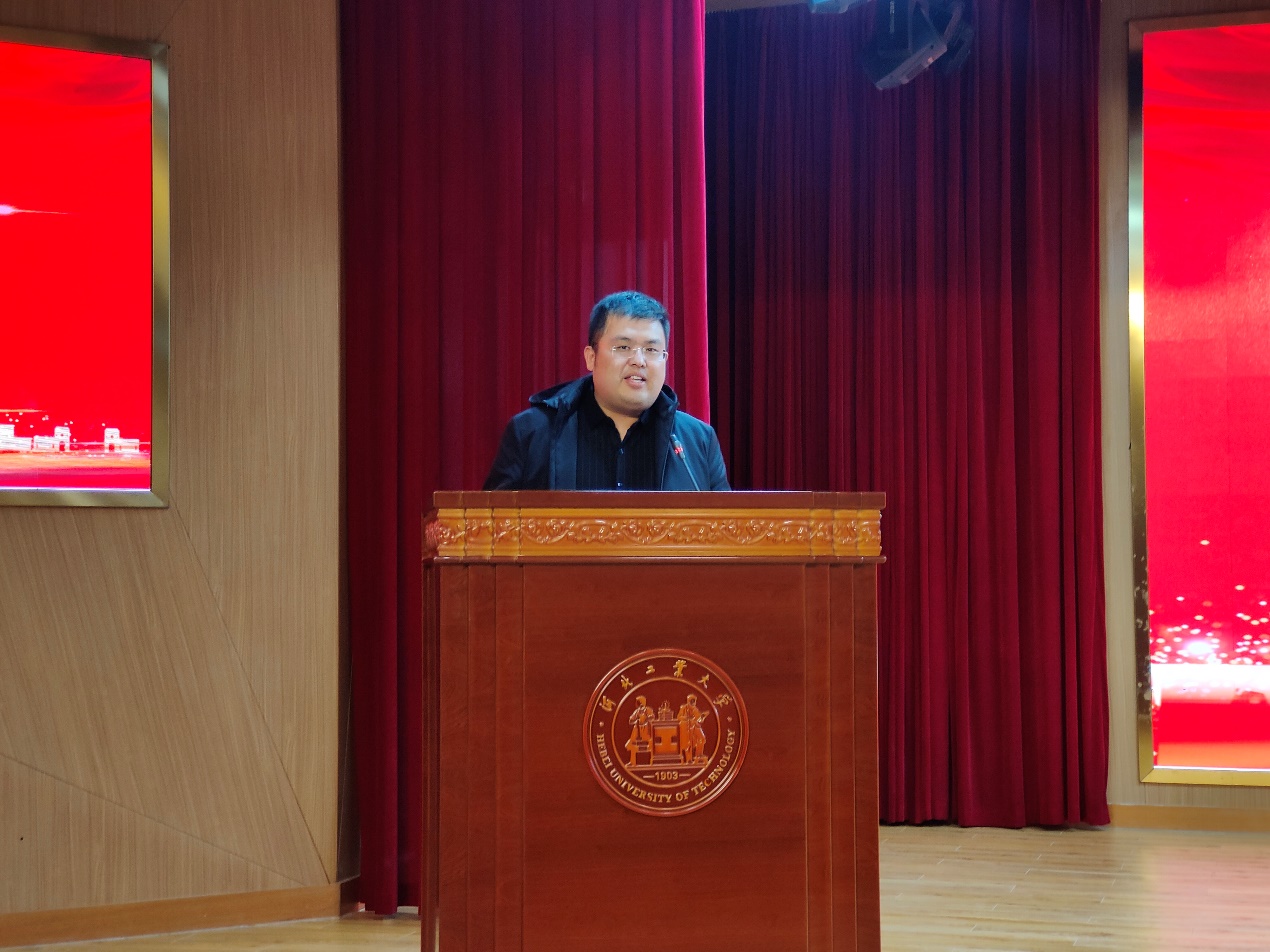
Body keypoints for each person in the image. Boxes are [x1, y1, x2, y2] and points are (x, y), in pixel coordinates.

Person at [483, 291, 730, 491]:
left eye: (652, 350)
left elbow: (725, 532)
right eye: (623, 347)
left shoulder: (698, 441)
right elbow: (491, 528)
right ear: (591, 357)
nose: (639, 361)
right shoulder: (533, 433)